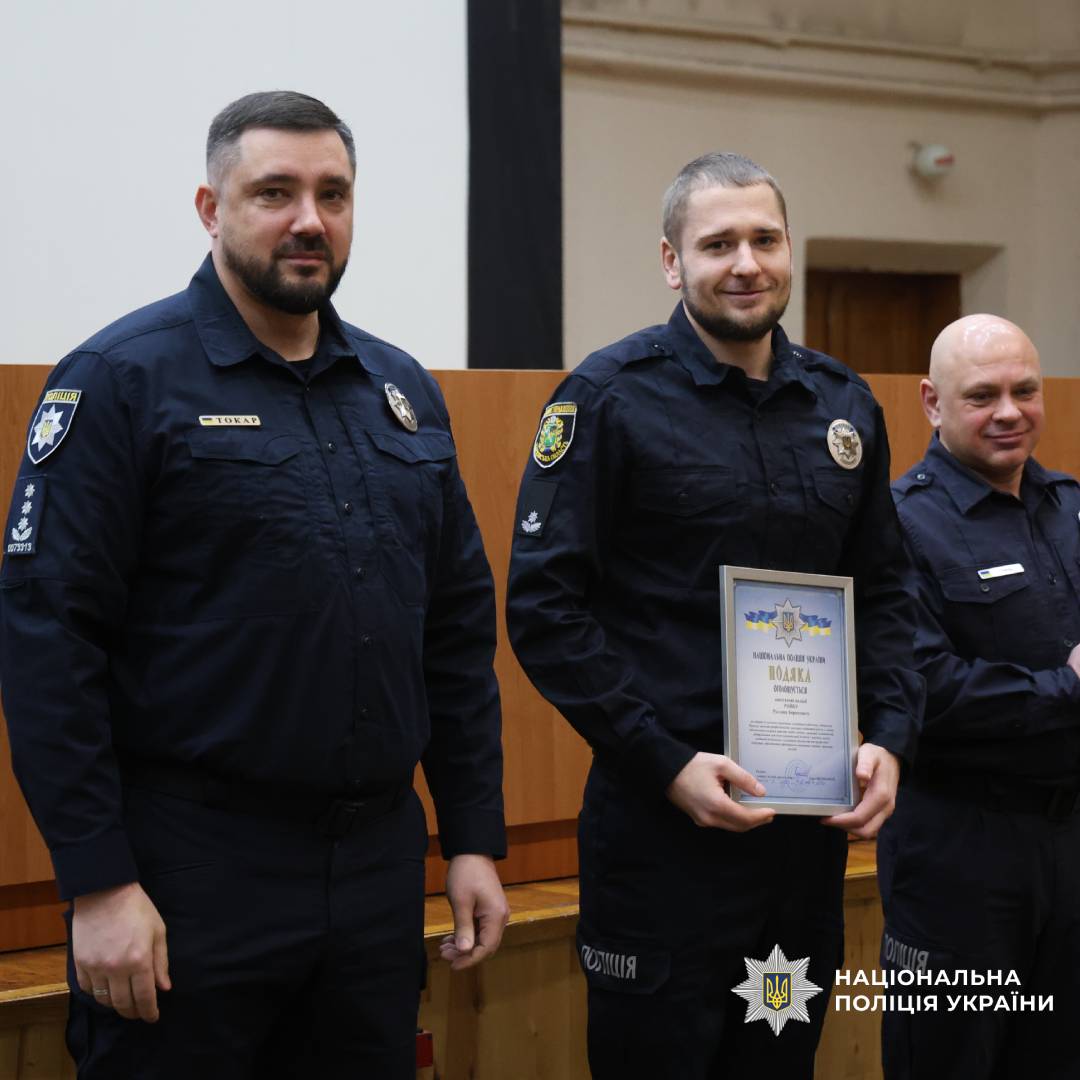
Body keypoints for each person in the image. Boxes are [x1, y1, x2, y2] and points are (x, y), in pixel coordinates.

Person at [0, 90, 509, 1079]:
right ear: (210, 207)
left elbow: (451, 635)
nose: (308, 219)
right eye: (274, 191)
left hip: (372, 871)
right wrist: (98, 883)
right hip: (191, 871)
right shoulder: (118, 382)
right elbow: (47, 643)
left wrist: (475, 838)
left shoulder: (402, 394)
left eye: (333, 193)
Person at [505, 152, 922, 1079]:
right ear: (670, 261)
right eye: (717, 243)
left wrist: (890, 735)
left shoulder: (843, 405)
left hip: (800, 848)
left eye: (765, 239)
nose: (746, 263)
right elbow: (542, 608)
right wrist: (664, 763)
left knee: (779, 1065)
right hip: (663, 838)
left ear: (789, 250)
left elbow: (888, 592)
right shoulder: (607, 400)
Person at [878, 314, 1080, 1080]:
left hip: (1068, 842)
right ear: (932, 402)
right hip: (960, 853)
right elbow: (921, 686)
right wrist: (1067, 688)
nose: (1009, 411)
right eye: (982, 395)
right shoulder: (899, 525)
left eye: (1025, 390)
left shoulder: (1071, 508)